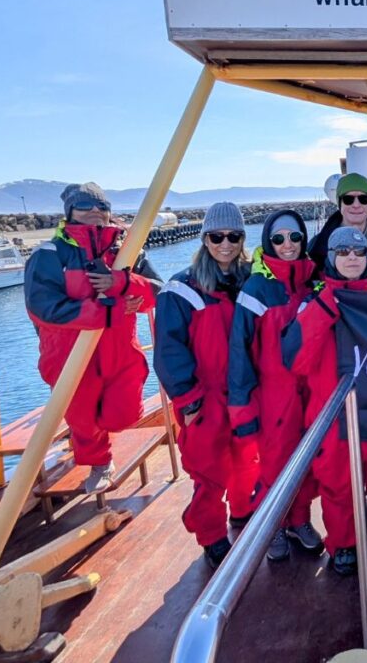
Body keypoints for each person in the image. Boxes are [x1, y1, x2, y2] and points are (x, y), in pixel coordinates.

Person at [282, 227, 367, 575]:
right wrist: (328, 304)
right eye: (343, 252)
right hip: (331, 415)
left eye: (358, 252)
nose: (352, 258)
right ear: (331, 258)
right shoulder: (313, 304)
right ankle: (343, 544)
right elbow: (295, 360)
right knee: (335, 482)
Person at [24, 182, 161, 493]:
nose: (95, 212)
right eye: (85, 207)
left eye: (101, 207)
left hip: (120, 352)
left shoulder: (127, 251)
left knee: (122, 415)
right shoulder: (49, 255)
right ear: (69, 213)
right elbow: (43, 308)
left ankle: (103, 442)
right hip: (68, 358)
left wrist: (124, 282)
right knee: (83, 419)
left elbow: (157, 292)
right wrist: (105, 313)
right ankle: (100, 463)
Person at [154, 202, 257, 569]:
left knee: (247, 460)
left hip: (244, 392)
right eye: (217, 237)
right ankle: (211, 536)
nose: (225, 244)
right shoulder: (180, 290)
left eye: (233, 236)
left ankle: (243, 514)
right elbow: (168, 352)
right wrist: (190, 400)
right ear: (205, 238)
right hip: (205, 396)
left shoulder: (250, 280)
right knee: (207, 471)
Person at [227, 209, 323, 565]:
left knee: (307, 462)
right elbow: (240, 349)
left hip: (310, 390)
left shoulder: (312, 281)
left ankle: (299, 521)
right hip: (274, 394)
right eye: (279, 238)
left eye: (295, 237)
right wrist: (241, 405)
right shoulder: (256, 287)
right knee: (276, 464)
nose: (288, 245)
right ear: (268, 241)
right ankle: (274, 528)